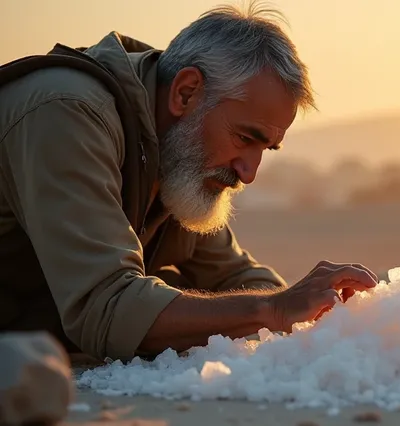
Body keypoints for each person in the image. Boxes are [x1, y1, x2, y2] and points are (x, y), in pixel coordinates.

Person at [0, 3, 378, 362]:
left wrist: (329, 315)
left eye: (268, 148)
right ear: (185, 92)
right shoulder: (69, 113)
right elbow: (108, 308)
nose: (249, 172)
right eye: (245, 139)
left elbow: (235, 277)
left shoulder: (176, 149)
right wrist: (274, 309)